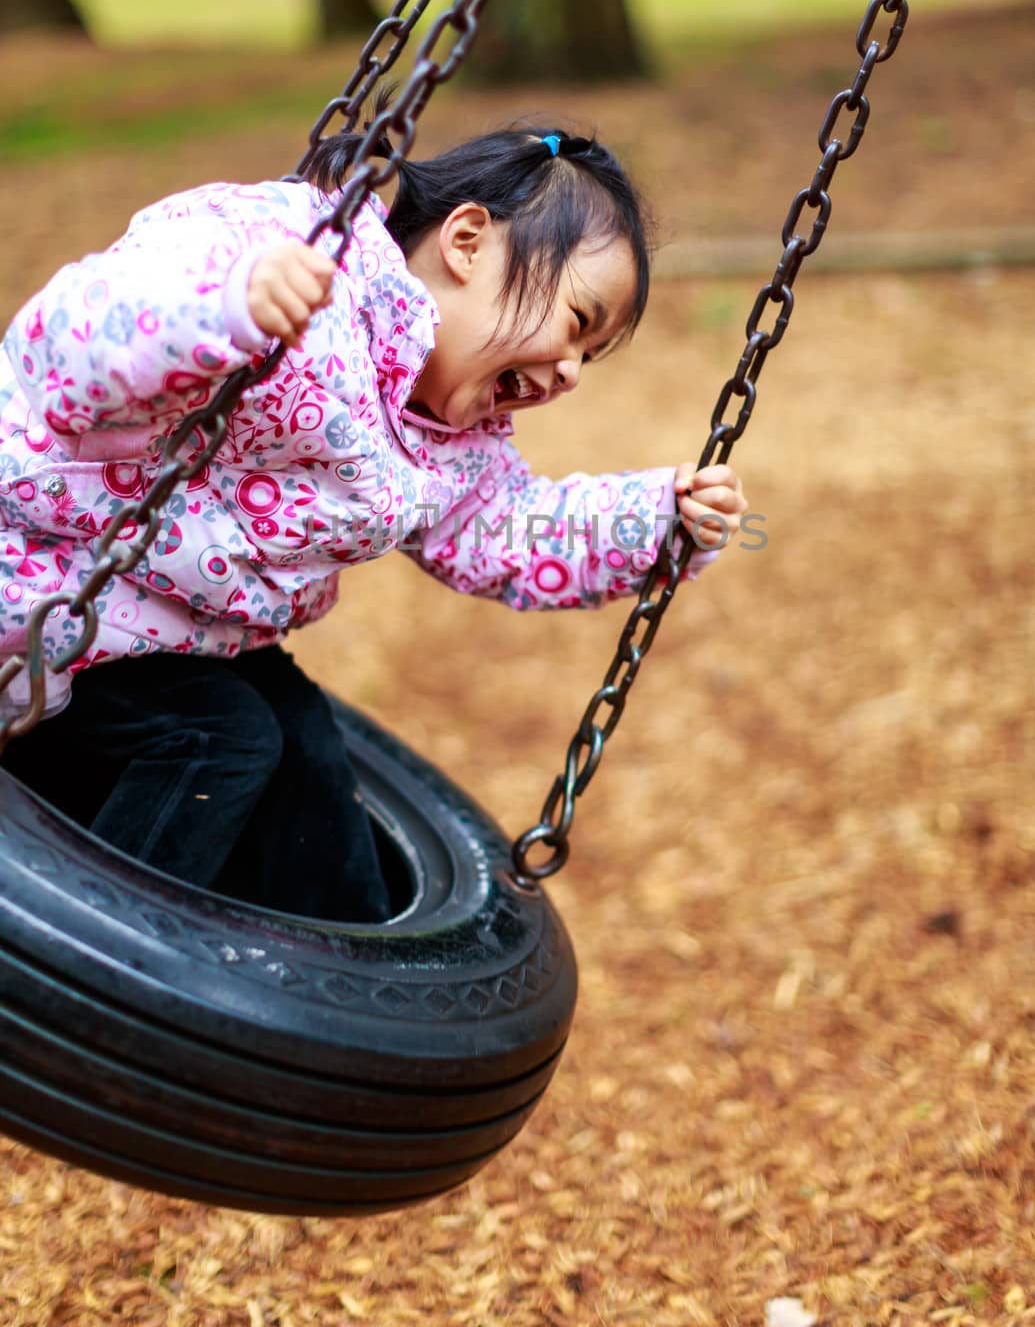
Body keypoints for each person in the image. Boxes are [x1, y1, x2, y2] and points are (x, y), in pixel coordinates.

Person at [0, 125, 747, 922]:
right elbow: (69, 340)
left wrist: (653, 524)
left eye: (590, 358)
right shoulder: (297, 261)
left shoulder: (452, 448)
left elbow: (507, 532)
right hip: (45, 598)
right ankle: (86, 962)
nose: (568, 371)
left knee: (307, 748)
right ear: (466, 242)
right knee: (221, 741)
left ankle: (328, 987)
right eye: (576, 320)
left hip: (174, 640)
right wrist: (226, 307)